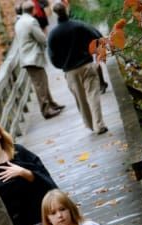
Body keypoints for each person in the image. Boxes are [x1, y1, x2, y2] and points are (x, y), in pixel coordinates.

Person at [47, 2, 108, 134]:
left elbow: (52, 57)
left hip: (70, 71)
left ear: (54, 14)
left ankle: (90, 125)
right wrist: (94, 51)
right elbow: (97, 35)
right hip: (86, 65)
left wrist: (62, 65)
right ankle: (99, 124)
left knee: (81, 99)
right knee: (93, 95)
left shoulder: (53, 34)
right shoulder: (79, 25)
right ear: (66, 9)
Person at [15, 0, 65, 120]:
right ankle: (46, 110)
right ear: (33, 10)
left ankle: (52, 103)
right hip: (33, 57)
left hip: (27, 58)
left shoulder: (19, 21)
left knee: (43, 81)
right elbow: (41, 38)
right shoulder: (31, 21)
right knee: (40, 85)